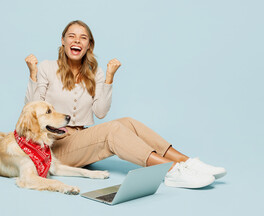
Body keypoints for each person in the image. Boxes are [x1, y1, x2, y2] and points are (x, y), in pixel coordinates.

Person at [24, 20, 226, 188]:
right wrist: (33, 74)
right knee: (112, 130)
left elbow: (100, 112)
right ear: (63, 40)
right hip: (54, 147)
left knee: (127, 122)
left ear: (88, 45)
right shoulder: (46, 68)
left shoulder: (95, 73)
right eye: (71, 36)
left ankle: (187, 162)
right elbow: (32, 111)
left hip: (82, 141)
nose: (77, 40)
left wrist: (109, 78)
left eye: (83, 37)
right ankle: (171, 171)